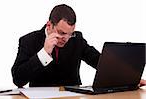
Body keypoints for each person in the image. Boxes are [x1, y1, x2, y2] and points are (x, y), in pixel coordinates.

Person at [11, 4, 146, 88]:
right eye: (62, 33)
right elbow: (18, 80)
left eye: (70, 33)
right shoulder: (28, 40)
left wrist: (128, 78)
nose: (66, 38)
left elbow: (99, 61)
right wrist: (44, 53)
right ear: (49, 25)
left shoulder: (77, 39)